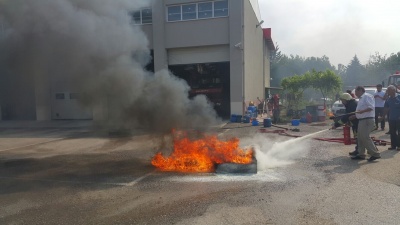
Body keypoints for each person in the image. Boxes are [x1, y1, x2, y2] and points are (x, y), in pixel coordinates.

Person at [349, 86, 381, 161]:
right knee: (360, 137)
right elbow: (361, 111)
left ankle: (375, 154)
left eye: (356, 92)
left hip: (367, 120)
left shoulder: (367, 96)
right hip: (362, 120)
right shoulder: (361, 99)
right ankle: (361, 154)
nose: (355, 94)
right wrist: (355, 115)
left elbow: (371, 107)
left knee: (365, 137)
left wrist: (361, 111)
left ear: (360, 90)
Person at [383, 85, 400, 150]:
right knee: (392, 132)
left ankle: (399, 145)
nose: (387, 92)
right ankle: (393, 145)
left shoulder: (399, 96)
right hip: (391, 118)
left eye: (388, 90)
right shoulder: (388, 99)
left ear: (393, 90)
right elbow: (386, 108)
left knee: (399, 132)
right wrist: (383, 116)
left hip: (399, 118)